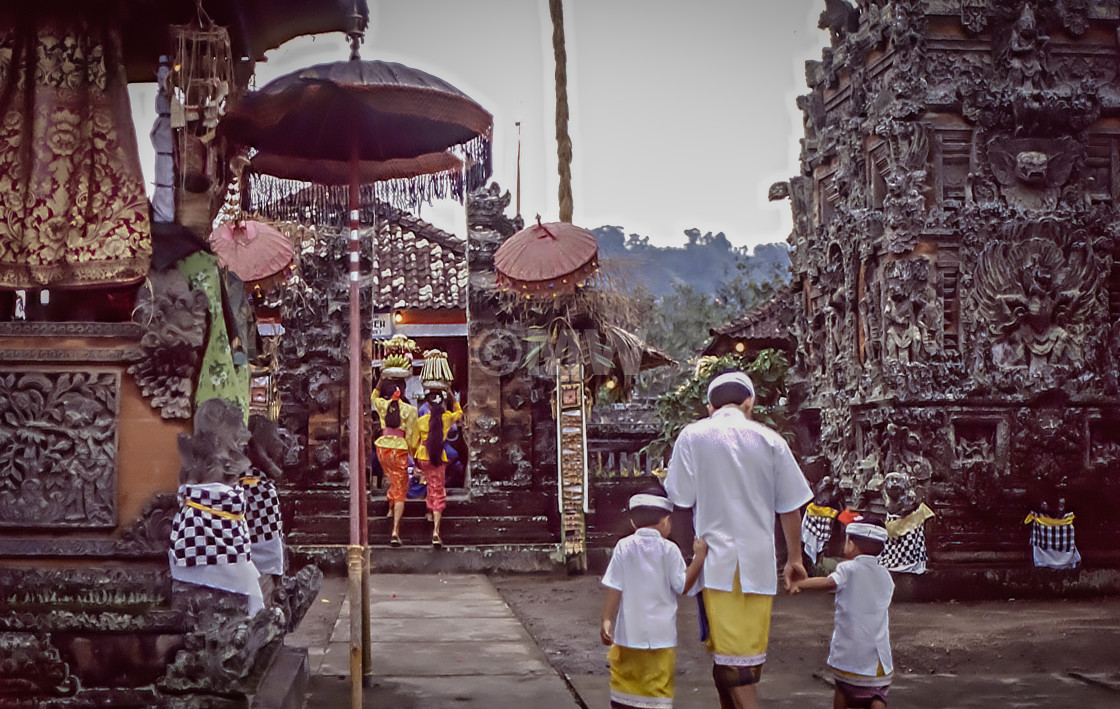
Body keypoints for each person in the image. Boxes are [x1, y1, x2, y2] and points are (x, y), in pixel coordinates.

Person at [664, 370, 813, 709]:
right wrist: (795, 559)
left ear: (709, 408)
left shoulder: (693, 436)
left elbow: (680, 501)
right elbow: (790, 506)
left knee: (732, 664)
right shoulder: (772, 440)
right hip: (758, 565)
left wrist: (687, 557)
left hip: (716, 566)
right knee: (741, 660)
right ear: (750, 403)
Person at [600, 487, 708, 709]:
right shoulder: (669, 550)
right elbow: (682, 585)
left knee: (624, 691)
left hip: (628, 634)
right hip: (661, 637)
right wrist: (699, 558)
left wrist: (607, 620)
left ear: (633, 522)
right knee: (656, 693)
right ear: (666, 521)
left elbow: (614, 586)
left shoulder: (623, 547)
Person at [791, 516, 894, 709]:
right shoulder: (885, 575)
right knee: (878, 694)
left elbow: (830, 582)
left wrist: (800, 584)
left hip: (850, 655)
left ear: (852, 544)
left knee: (843, 690)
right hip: (878, 658)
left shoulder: (849, 569)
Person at [371, 378, 419, 546]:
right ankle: (395, 531)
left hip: (382, 449)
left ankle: (391, 510)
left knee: (393, 480)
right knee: (400, 489)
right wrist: (415, 456)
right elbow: (412, 438)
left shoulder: (383, 405)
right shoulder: (410, 410)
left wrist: (381, 381)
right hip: (398, 450)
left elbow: (373, 397)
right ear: (402, 392)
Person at [415, 388, 463, 546]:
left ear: (427, 404)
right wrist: (451, 394)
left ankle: (429, 510)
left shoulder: (421, 420)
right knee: (438, 490)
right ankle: (436, 531)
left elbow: (413, 440)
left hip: (423, 456)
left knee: (430, 484)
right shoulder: (447, 418)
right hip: (437, 457)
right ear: (441, 403)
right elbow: (459, 412)